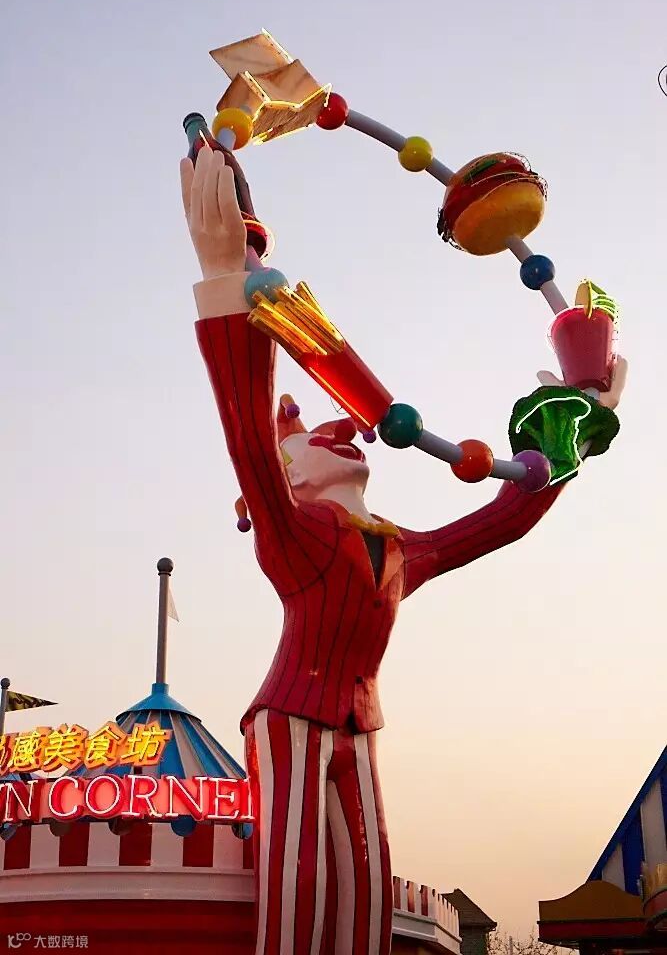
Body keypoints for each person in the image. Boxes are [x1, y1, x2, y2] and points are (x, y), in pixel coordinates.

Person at [180, 146, 627, 955]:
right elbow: (246, 436)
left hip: (359, 725)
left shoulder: (398, 551)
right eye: (312, 433)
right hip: (287, 717)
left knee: (367, 878)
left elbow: (504, 518)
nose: (339, 426)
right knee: (299, 875)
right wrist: (221, 281)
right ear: (290, 476)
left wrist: (580, 415)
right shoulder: (293, 535)